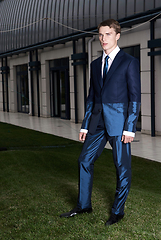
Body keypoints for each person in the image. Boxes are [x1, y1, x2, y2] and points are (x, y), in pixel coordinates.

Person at [60, 19, 141, 226]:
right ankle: (84, 205)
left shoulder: (129, 62)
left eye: (107, 34)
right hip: (97, 123)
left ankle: (117, 211)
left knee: (122, 167)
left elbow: (135, 97)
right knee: (84, 161)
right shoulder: (95, 64)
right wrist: (85, 124)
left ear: (117, 35)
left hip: (119, 123)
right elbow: (92, 97)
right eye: (100, 35)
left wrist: (130, 127)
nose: (103, 39)